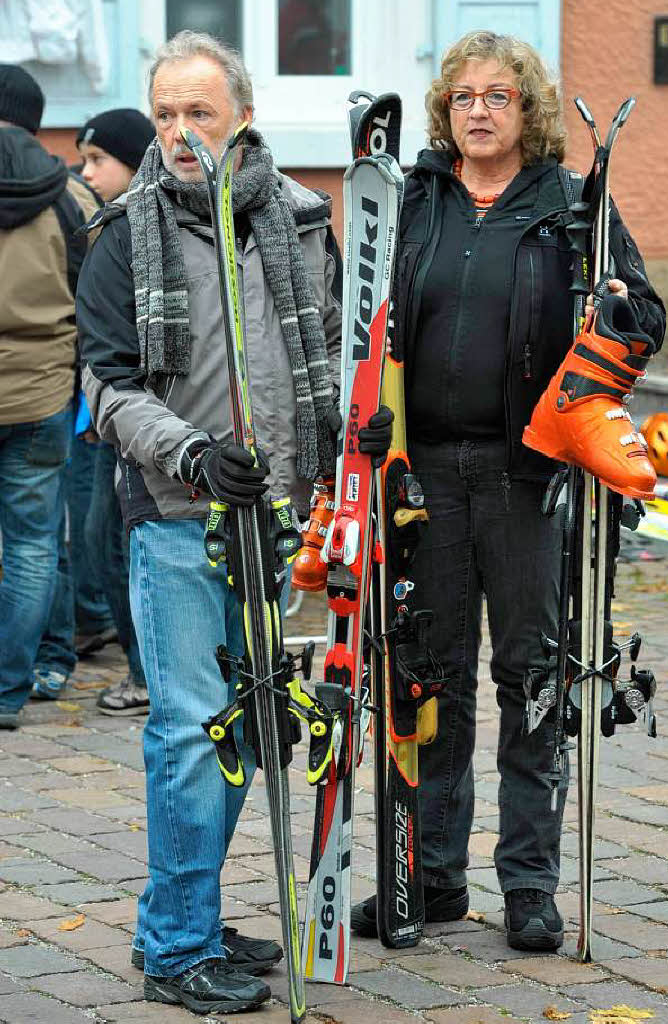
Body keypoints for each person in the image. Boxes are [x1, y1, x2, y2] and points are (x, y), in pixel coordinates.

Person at [76, 31, 390, 1015]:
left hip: (283, 513)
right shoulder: (123, 235)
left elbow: (340, 343)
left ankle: (185, 918)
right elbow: (106, 385)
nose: (176, 131)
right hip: (176, 513)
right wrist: (191, 451)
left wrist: (360, 414)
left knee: (252, 726)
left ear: (242, 116)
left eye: (196, 113)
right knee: (186, 732)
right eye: (163, 113)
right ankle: (175, 948)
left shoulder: (299, 220)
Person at [350, 31, 665, 952]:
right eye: (462, 97)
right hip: (425, 475)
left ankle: (527, 882)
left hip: (533, 477)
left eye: (498, 95)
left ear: (527, 112)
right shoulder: (414, 203)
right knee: (429, 680)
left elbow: (643, 317)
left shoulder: (575, 206)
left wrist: (610, 316)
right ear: (446, 111)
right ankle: (432, 876)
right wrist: (372, 416)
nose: (478, 110)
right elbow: (366, 322)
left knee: (532, 679)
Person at [0, 64, 98, 730]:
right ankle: (8, 690)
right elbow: (99, 303)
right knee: (34, 543)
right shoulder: (75, 197)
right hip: (42, 395)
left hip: (40, 392)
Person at [78, 107, 155, 715]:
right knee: (103, 541)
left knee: (112, 543)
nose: (87, 172)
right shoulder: (108, 227)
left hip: (143, 424)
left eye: (98, 160)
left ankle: (145, 671)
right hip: (108, 415)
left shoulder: (138, 231)